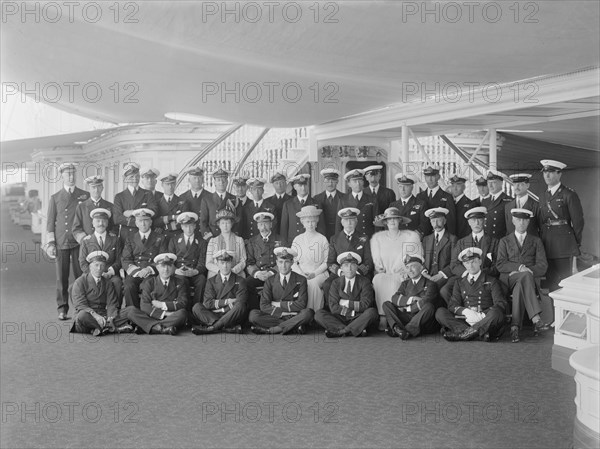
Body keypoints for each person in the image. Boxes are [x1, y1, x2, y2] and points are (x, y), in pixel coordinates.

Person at [45, 162, 90, 320]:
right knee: (61, 277)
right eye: (67, 174)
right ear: (62, 176)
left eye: (73, 173)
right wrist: (51, 243)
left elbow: (88, 220)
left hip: (79, 242)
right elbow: (50, 222)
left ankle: (81, 307)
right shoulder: (55, 197)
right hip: (62, 241)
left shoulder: (84, 195)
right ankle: (62, 309)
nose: (71, 176)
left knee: (81, 276)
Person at [497, 209, 550, 343]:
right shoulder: (504, 241)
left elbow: (543, 266)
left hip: (527, 280)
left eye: (525, 220)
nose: (522, 223)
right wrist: (519, 268)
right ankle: (536, 318)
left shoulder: (536, 241)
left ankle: (515, 327)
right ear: (513, 221)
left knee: (521, 284)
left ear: (529, 222)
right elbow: (500, 264)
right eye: (519, 220)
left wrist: (525, 271)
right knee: (524, 276)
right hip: (509, 279)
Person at [435, 247, 507, 342]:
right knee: (440, 312)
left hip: (485, 318)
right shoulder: (459, 282)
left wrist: (482, 315)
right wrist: (466, 312)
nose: (471, 266)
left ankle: (464, 334)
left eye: (473, 262)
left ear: (480, 262)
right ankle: (479, 333)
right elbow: (452, 305)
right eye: (467, 263)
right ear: (464, 264)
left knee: (497, 313)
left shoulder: (491, 280)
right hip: (466, 320)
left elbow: (500, 303)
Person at [370, 207, 422, 330]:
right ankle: (382, 316)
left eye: (395, 219)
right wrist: (379, 268)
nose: (392, 221)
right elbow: (377, 261)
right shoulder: (378, 238)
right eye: (389, 219)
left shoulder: (410, 236)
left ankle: (393, 317)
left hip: (403, 272)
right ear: (385, 222)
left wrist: (406, 270)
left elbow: (417, 258)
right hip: (385, 272)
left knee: (397, 282)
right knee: (378, 279)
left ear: (400, 221)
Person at [537, 159, 584, 292]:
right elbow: (541, 221)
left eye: (551, 172)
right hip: (547, 244)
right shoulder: (543, 196)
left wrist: (575, 243)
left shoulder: (569, 194)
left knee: (566, 282)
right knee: (551, 284)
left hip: (564, 246)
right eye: (545, 172)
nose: (547, 175)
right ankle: (554, 313)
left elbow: (578, 222)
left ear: (559, 174)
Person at [440, 206, 499, 304]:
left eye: (480, 219)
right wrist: (467, 274)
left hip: (485, 276)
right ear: (469, 222)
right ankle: (459, 309)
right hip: (464, 276)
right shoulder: (461, 242)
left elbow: (497, 265)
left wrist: (480, 274)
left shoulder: (494, 242)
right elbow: (454, 264)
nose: (477, 223)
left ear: (484, 221)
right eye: (473, 220)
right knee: (445, 290)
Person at [248, 247, 314, 335]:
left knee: (308, 313)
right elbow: (264, 305)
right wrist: (283, 313)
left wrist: (278, 304)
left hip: (294, 314)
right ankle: (293, 326)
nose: (283, 266)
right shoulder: (270, 280)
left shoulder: (301, 279)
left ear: (292, 263)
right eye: (280, 262)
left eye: (286, 262)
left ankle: (273, 329)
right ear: (276, 263)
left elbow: (302, 304)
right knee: (253, 315)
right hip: (280, 316)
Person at [314, 252, 378, 338]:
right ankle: (355, 329)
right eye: (346, 265)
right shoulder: (335, 282)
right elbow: (333, 307)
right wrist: (351, 312)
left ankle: (341, 331)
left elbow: (365, 305)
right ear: (341, 268)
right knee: (319, 314)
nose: (349, 268)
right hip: (340, 317)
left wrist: (346, 303)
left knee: (372, 312)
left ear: (357, 267)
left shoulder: (364, 282)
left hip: (358, 317)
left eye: (353, 265)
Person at [70, 251, 133, 336]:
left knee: (131, 310)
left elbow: (111, 303)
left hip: (103, 315)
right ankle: (108, 327)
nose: (99, 268)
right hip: (88, 315)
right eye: (96, 265)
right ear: (90, 267)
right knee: (82, 315)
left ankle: (105, 326)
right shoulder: (80, 282)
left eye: (102, 265)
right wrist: (96, 316)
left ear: (105, 267)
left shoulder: (107, 282)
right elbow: (81, 305)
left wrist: (111, 317)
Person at [126, 253, 188, 335]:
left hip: (171, 317)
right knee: (131, 312)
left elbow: (183, 303)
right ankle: (161, 328)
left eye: (169, 266)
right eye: (163, 266)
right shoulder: (150, 283)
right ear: (157, 268)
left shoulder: (180, 282)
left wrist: (162, 305)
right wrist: (166, 313)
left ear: (173, 267)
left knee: (183, 313)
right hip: (156, 316)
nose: (166, 269)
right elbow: (144, 306)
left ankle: (148, 327)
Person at [321, 207, 373, 302]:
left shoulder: (364, 238)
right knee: (327, 285)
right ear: (342, 222)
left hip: (358, 272)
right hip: (340, 272)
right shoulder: (334, 239)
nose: (349, 223)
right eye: (346, 220)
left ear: (356, 221)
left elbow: (368, 261)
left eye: (352, 220)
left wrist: (356, 272)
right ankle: (332, 310)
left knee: (366, 285)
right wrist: (341, 273)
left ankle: (360, 310)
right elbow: (330, 262)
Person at [383, 254, 440, 340]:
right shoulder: (405, 284)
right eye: (407, 267)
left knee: (429, 306)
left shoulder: (430, 284)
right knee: (386, 304)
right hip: (408, 317)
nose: (409, 270)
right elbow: (394, 298)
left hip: (422, 320)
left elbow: (425, 302)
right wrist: (411, 299)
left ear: (421, 268)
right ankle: (397, 328)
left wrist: (406, 308)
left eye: (413, 266)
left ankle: (405, 331)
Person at [190, 250, 247, 334]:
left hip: (230, 314)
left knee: (240, 306)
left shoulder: (240, 280)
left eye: (227, 263)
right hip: (214, 315)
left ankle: (212, 328)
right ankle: (225, 327)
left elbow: (240, 300)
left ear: (231, 263)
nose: (225, 266)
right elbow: (208, 303)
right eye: (222, 263)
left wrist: (222, 307)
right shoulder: (211, 281)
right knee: (196, 307)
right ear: (217, 263)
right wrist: (227, 301)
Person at [121, 209, 168, 308]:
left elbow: (162, 259)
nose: (143, 224)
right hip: (135, 272)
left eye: (146, 220)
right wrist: (137, 272)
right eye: (140, 221)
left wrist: (149, 269)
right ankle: (132, 313)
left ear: (150, 222)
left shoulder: (160, 238)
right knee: (128, 286)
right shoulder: (130, 238)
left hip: (152, 272)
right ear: (136, 223)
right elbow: (126, 259)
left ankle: (148, 313)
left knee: (147, 286)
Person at [78, 208, 123, 308]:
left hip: (109, 273)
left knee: (118, 283)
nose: (101, 224)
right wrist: (94, 274)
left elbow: (119, 259)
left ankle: (115, 313)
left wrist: (109, 272)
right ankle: (88, 311)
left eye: (103, 221)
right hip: (91, 274)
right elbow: (82, 262)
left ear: (107, 223)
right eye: (98, 221)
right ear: (93, 223)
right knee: (77, 286)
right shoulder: (86, 241)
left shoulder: (115, 239)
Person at [166, 212, 208, 312]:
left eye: (190, 226)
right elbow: (169, 261)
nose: (188, 229)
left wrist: (195, 271)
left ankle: (196, 310)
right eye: (185, 226)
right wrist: (176, 270)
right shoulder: (174, 240)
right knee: (182, 280)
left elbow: (202, 261)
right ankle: (184, 310)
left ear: (194, 226)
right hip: (179, 271)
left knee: (202, 280)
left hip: (194, 271)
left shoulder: (202, 241)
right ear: (181, 227)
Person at [291, 205, 329, 311]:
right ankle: (301, 314)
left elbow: (327, 262)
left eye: (313, 221)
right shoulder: (297, 239)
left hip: (319, 273)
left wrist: (314, 273)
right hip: (301, 273)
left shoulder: (322, 239)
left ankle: (315, 312)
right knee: (301, 282)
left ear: (317, 222)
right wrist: (302, 274)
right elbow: (292, 261)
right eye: (307, 221)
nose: (310, 224)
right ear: (302, 222)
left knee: (312, 283)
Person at [244, 212, 285, 311]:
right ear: (257, 226)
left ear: (271, 224)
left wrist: (271, 272)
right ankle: (255, 311)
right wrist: (257, 273)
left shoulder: (280, 239)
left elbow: (283, 260)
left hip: (275, 273)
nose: (264, 227)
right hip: (259, 273)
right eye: (261, 224)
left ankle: (276, 312)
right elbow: (249, 262)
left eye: (266, 223)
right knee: (246, 283)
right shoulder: (252, 241)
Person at [113, 162, 158, 243]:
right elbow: (117, 218)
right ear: (125, 179)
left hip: (144, 233)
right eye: (131, 177)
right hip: (126, 236)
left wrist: (131, 212)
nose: (135, 179)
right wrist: (141, 221)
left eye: (137, 176)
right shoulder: (119, 196)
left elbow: (154, 211)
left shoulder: (148, 193)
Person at [280, 173, 325, 243]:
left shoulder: (317, 203)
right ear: (295, 187)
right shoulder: (288, 204)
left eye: (305, 185)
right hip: (293, 243)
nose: (303, 188)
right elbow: (284, 228)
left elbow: (321, 227)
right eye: (300, 185)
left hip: (312, 242)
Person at [72, 175, 114, 244]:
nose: (96, 190)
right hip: (88, 244)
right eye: (93, 187)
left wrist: (110, 238)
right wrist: (84, 239)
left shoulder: (110, 206)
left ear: (102, 188)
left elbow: (114, 226)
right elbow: (76, 228)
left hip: (106, 243)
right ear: (89, 189)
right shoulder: (81, 207)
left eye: (99, 187)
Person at [205, 209, 246, 279]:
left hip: (235, 272)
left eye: (228, 223)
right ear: (219, 225)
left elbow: (243, 261)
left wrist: (233, 271)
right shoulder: (212, 241)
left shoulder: (239, 240)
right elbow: (208, 263)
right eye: (223, 223)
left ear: (232, 224)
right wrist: (220, 271)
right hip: (216, 273)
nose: (225, 226)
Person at [199, 167, 240, 239]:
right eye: (218, 180)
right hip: (213, 238)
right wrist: (210, 239)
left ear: (227, 182)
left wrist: (233, 238)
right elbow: (203, 223)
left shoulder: (234, 199)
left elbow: (238, 222)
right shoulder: (207, 200)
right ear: (214, 182)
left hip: (230, 238)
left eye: (223, 180)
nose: (221, 182)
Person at [421, 207, 456, 290]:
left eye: (439, 220)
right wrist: (424, 272)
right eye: (433, 221)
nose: (436, 224)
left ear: (444, 221)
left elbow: (454, 262)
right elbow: (422, 259)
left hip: (444, 276)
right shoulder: (426, 239)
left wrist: (441, 274)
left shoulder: (452, 239)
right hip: (428, 276)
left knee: (432, 290)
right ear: (430, 222)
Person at [416, 165, 456, 236]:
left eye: (433, 176)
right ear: (425, 178)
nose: (430, 179)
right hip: (424, 237)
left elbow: (451, 221)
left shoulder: (447, 197)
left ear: (438, 177)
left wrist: (450, 239)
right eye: (427, 176)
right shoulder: (419, 196)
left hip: (441, 236)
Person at [336, 169, 377, 237]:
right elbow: (338, 225)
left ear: (363, 182)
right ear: (349, 184)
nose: (358, 183)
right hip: (350, 239)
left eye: (360, 180)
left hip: (367, 239)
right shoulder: (343, 200)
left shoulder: (372, 199)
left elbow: (377, 224)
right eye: (354, 181)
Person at [153, 173, 188, 238]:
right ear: (162, 185)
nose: (170, 187)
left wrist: (165, 227)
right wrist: (173, 217)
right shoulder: (157, 203)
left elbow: (184, 221)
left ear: (175, 184)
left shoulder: (182, 202)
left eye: (172, 184)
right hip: (162, 238)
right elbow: (154, 222)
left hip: (177, 237)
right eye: (167, 184)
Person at [480, 170, 512, 240]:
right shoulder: (484, 201)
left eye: (493, 182)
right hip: (486, 241)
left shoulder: (509, 201)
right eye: (489, 183)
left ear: (501, 183)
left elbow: (511, 227)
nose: (490, 185)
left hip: (501, 241)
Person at [313, 168, 343, 240]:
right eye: (327, 181)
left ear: (337, 181)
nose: (330, 183)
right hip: (322, 234)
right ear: (324, 182)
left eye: (333, 180)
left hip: (340, 234)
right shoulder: (316, 198)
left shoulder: (344, 198)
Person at [179, 166, 211, 231]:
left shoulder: (210, 196)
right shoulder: (182, 197)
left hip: (205, 234)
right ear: (189, 180)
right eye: (194, 178)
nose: (197, 181)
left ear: (203, 179)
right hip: (188, 233)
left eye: (199, 178)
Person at [449, 175, 477, 239]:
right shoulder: (448, 203)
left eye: (458, 185)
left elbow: (470, 228)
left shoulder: (471, 204)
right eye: (453, 185)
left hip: (463, 240)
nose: (455, 188)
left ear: (464, 187)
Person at [268, 171, 291, 236]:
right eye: (277, 183)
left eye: (282, 182)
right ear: (273, 185)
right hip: (273, 234)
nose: (279, 185)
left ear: (286, 184)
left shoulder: (292, 200)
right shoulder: (267, 201)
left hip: (288, 233)